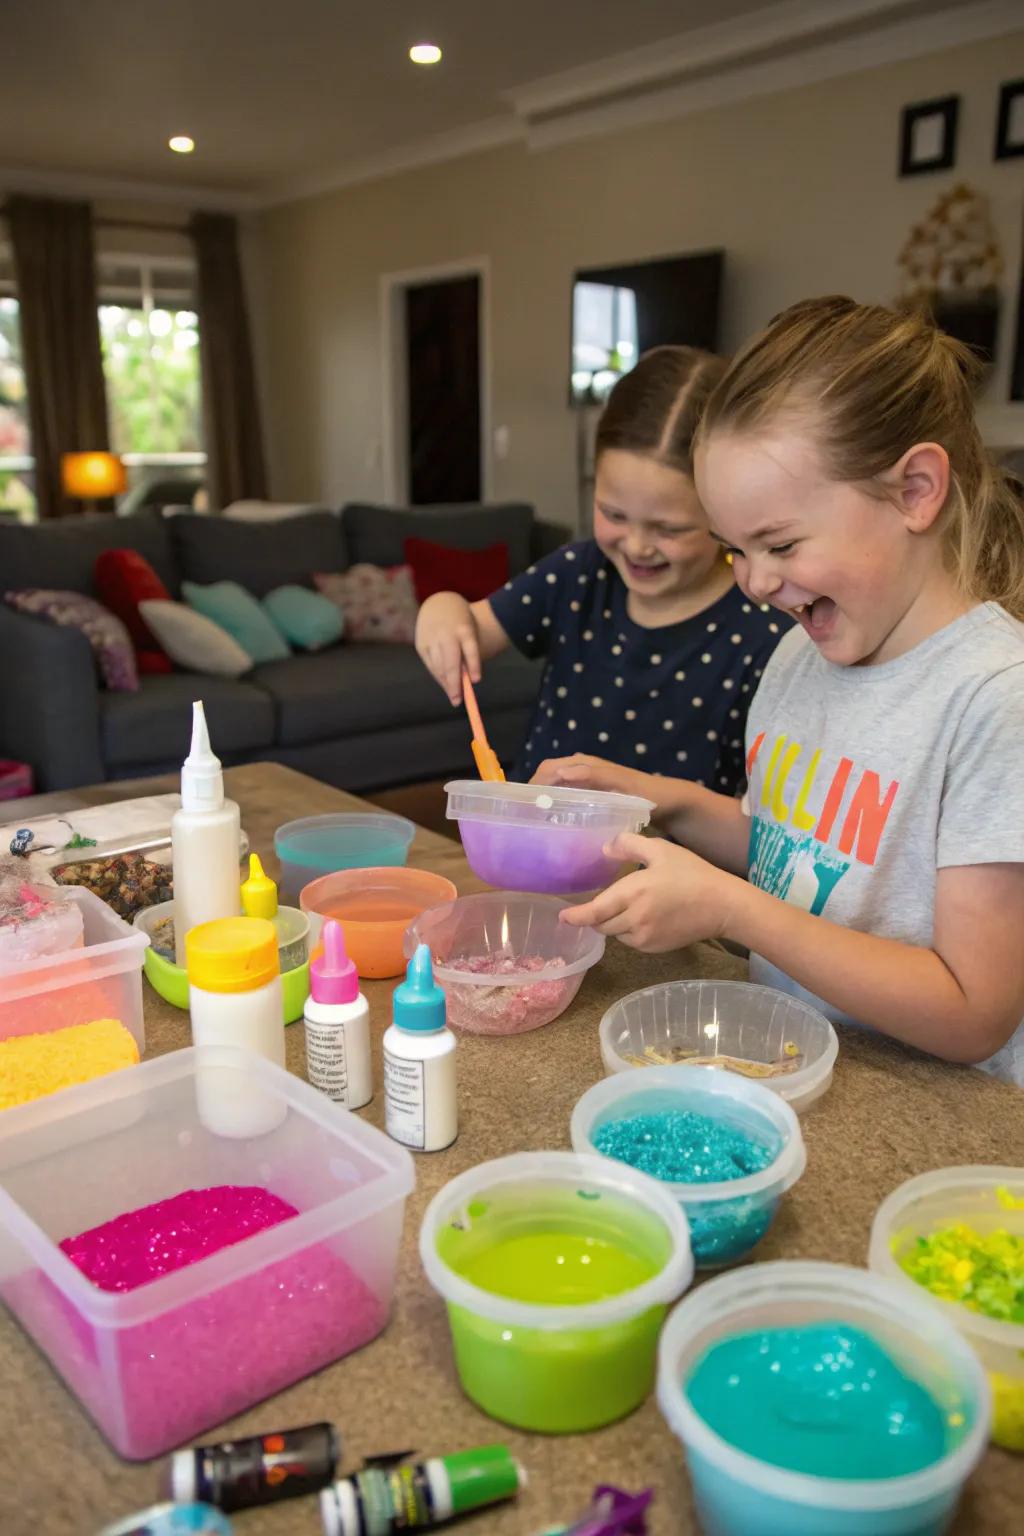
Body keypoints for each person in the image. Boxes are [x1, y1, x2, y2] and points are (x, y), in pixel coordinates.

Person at [555, 296, 1024, 1084]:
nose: (757, 583)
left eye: (780, 544)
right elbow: (797, 848)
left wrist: (732, 910)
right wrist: (654, 798)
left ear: (915, 491)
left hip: (941, 1119)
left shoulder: (993, 699)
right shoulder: (799, 658)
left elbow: (974, 1010)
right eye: (735, 549)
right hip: (798, 1069)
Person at [414, 346, 789, 793]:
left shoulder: (762, 635)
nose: (636, 546)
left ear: (727, 513)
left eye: (669, 528)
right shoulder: (579, 572)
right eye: (613, 514)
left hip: (667, 862)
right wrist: (442, 608)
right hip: (536, 851)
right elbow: (473, 626)